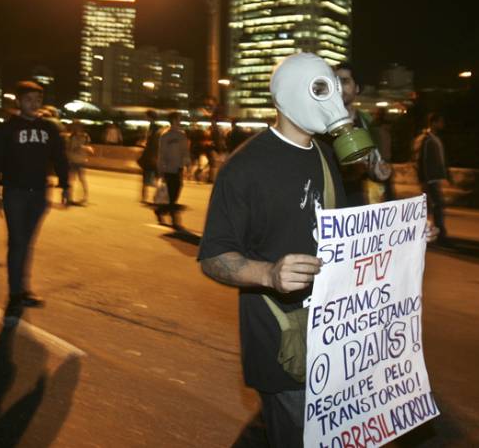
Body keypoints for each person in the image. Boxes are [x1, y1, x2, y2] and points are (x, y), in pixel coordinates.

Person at [198, 52, 347, 447]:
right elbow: (213, 255)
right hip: (283, 339)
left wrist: (409, 233)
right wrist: (268, 274)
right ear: (287, 95)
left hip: (332, 332)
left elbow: (346, 229)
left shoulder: (326, 156)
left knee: (282, 431)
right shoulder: (244, 168)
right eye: (321, 88)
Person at [0, 81, 69, 326]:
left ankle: (23, 289)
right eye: (29, 99)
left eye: (38, 100)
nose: (34, 104)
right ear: (19, 102)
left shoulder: (49, 128)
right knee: (17, 243)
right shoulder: (7, 129)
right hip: (15, 193)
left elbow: (60, 157)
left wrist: (66, 185)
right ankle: (14, 297)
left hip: (39, 194)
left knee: (27, 243)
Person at [334, 62, 392, 206]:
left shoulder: (368, 125)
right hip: (328, 205)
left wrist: (379, 172)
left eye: (345, 81)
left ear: (357, 88)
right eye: (335, 82)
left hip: (357, 206)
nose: (339, 87)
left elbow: (376, 167)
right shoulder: (317, 125)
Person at [413, 113, 450, 244]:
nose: (442, 124)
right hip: (430, 179)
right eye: (440, 121)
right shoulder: (426, 139)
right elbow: (421, 160)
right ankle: (439, 233)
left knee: (432, 206)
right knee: (437, 205)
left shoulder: (433, 138)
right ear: (433, 123)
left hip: (434, 178)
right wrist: (424, 180)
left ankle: (431, 232)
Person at [155, 112, 190, 229]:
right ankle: (174, 218)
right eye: (179, 119)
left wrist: (187, 165)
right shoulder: (165, 136)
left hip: (178, 168)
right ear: (174, 120)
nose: (180, 121)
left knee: (176, 192)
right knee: (171, 194)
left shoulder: (182, 135)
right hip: (169, 169)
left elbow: (185, 151)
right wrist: (160, 168)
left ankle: (161, 210)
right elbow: (161, 154)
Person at [66, 121, 92, 205]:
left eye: (78, 126)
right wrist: (83, 147)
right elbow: (70, 149)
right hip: (72, 160)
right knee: (71, 179)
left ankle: (84, 197)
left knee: (82, 179)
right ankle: (69, 198)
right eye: (75, 126)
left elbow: (88, 146)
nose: (77, 128)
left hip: (80, 160)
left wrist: (88, 149)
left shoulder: (85, 136)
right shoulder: (70, 137)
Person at [137, 111, 160, 203]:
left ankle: (145, 197)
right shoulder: (154, 127)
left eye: (146, 116)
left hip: (151, 155)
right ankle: (150, 196)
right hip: (152, 154)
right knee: (154, 176)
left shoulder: (154, 128)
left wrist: (144, 144)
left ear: (150, 117)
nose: (145, 118)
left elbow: (152, 142)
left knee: (148, 175)